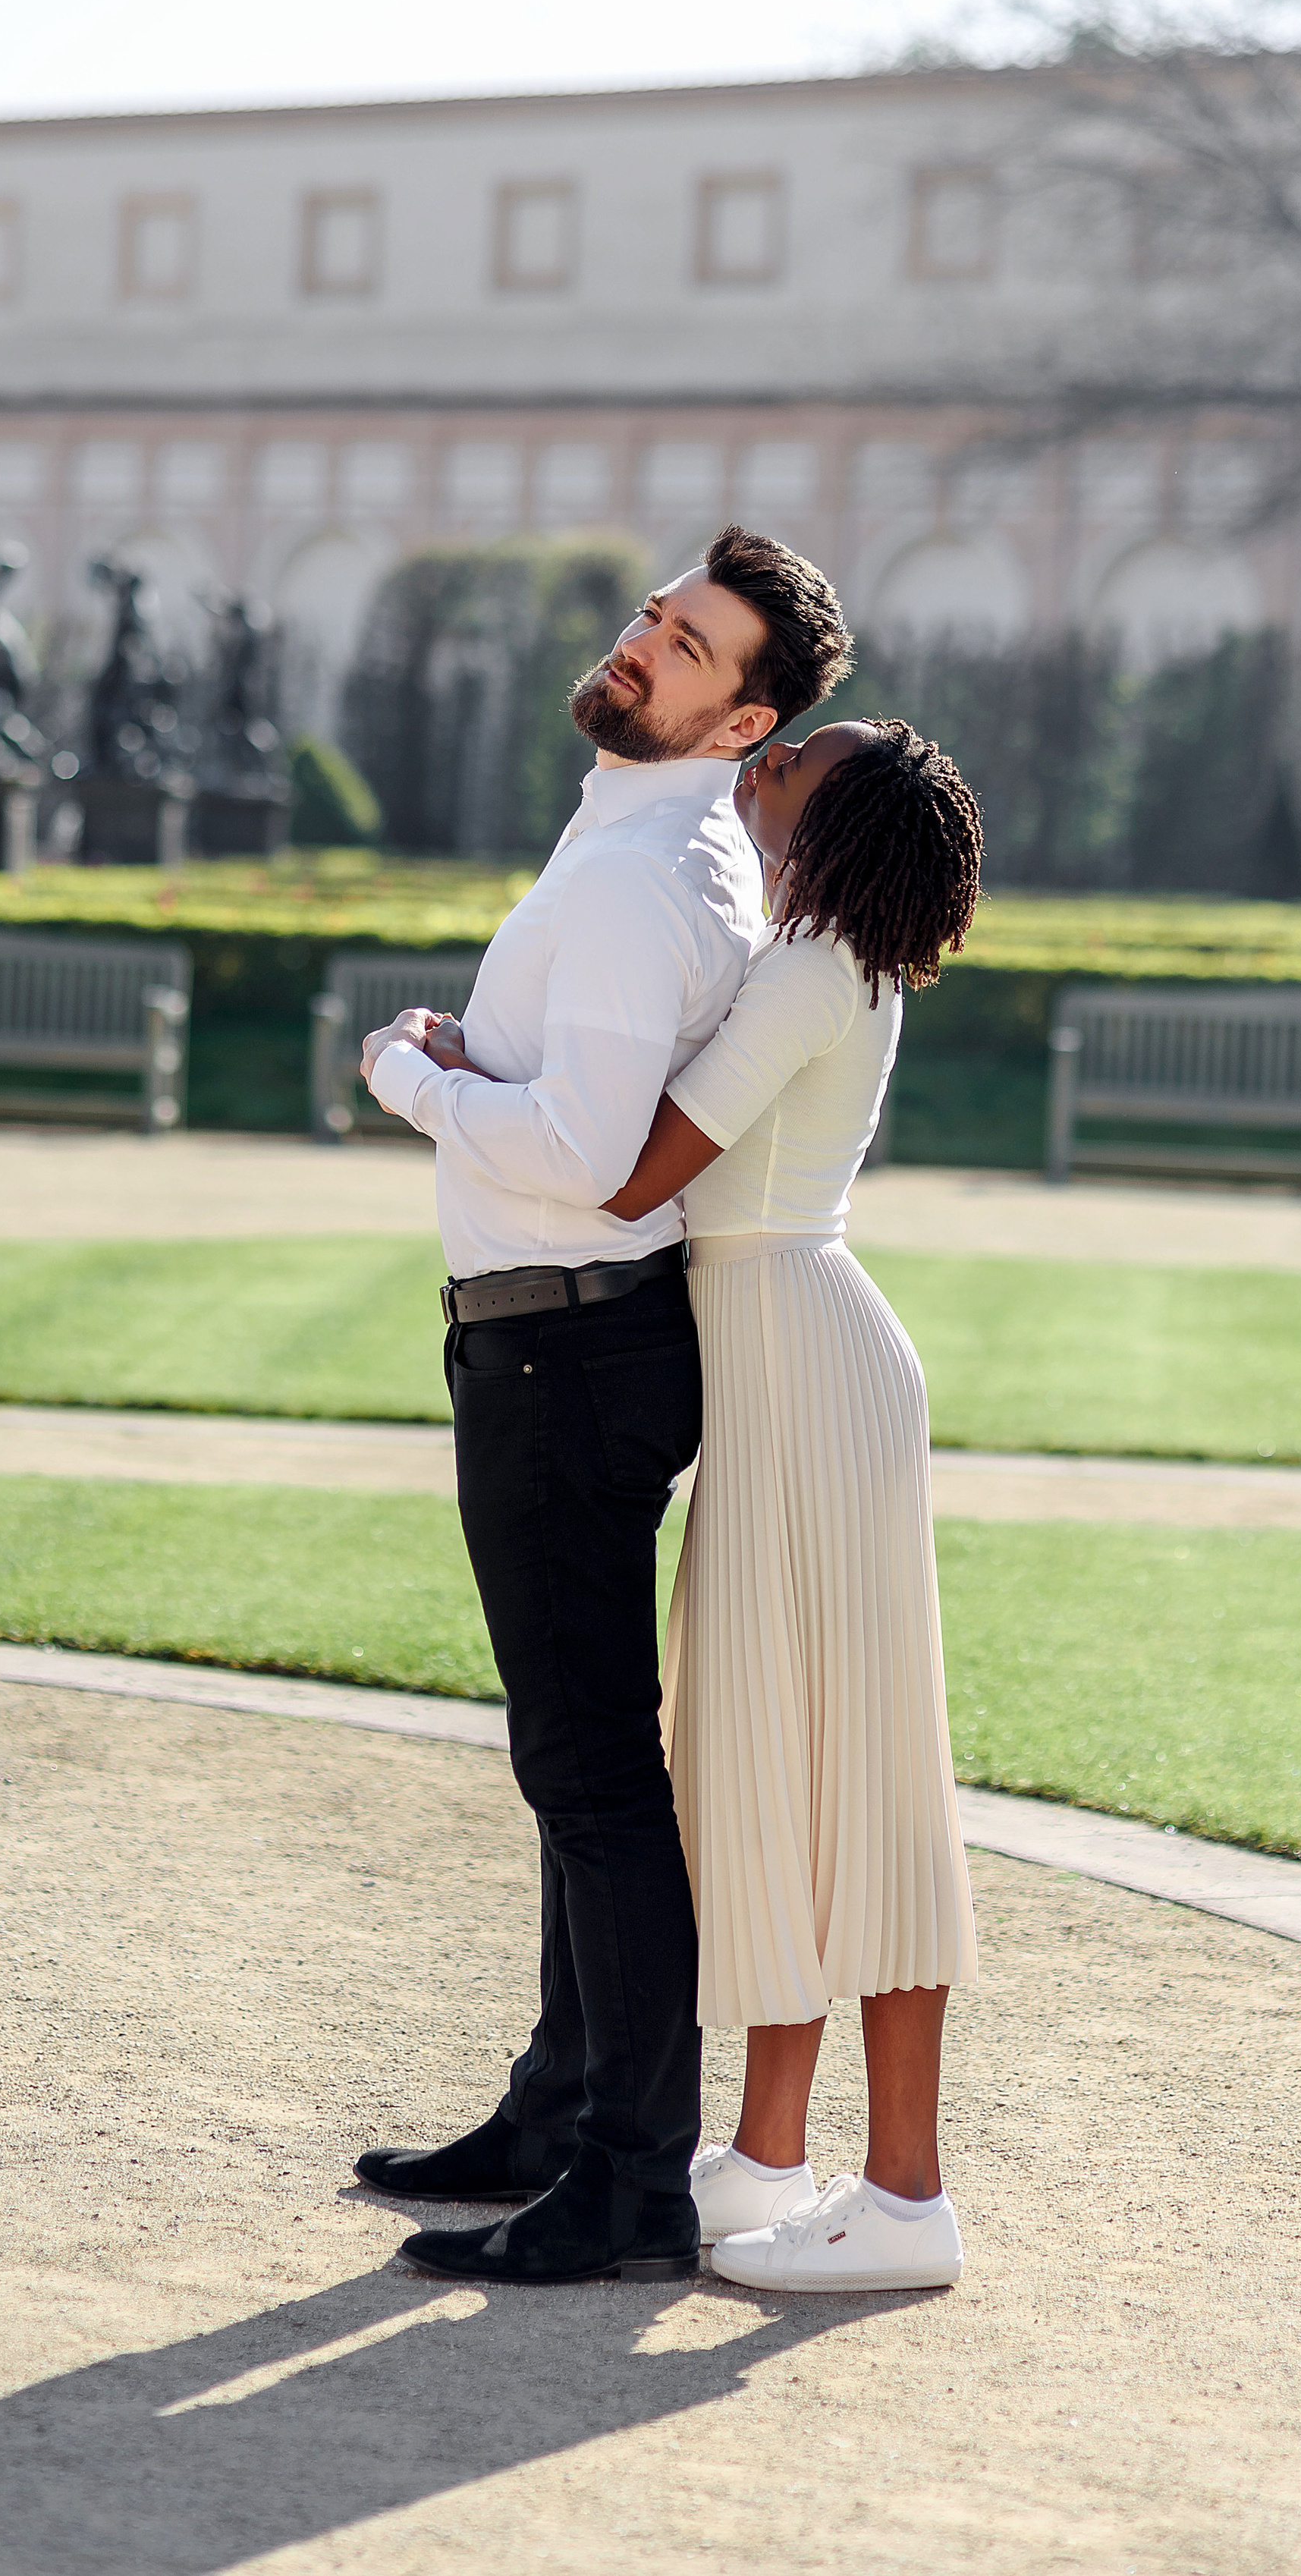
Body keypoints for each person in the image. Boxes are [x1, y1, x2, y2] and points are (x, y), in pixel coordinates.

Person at [352, 526, 853, 2288]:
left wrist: (412, 1078)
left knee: (587, 1773)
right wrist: (488, 1074)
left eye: (688, 643)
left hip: (566, 1348)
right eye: (655, 614)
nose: (643, 642)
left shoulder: (647, 885)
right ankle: (563, 2108)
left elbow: (594, 1166)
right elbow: (585, 1109)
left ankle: (631, 2175)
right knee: (576, 1763)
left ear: (742, 723)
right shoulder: (629, 844)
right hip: (559, 1344)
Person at [593, 713, 985, 2293]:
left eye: (785, 772)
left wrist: (465, 1077)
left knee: (858, 1787)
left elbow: (637, 1171)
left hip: (807, 1380)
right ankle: (764, 2159)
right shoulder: (825, 956)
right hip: (792, 1377)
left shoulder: (811, 968)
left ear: (834, 832)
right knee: (768, 1767)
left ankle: (902, 2199)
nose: (755, 778)